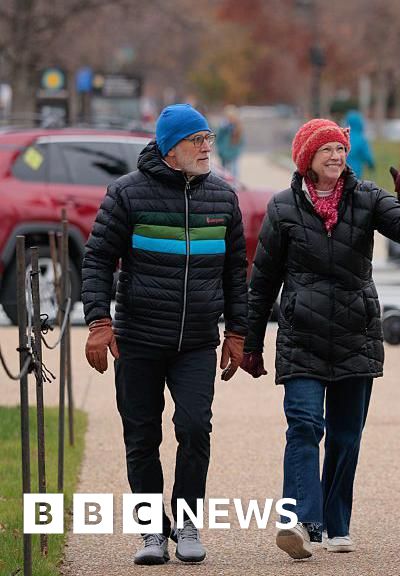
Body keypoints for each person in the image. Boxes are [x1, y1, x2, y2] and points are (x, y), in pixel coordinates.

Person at [240, 118, 400, 559]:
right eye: (326, 149)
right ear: (307, 157)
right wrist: (250, 342)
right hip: (301, 336)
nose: (336, 155)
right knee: (304, 426)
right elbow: (263, 280)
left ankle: (336, 522)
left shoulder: (366, 198)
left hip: (355, 334)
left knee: (346, 437)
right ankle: (299, 521)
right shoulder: (283, 207)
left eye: (340, 148)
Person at [81, 103, 248, 565]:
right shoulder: (127, 194)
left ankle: (188, 521)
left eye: (208, 139)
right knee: (141, 436)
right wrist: (98, 321)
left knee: (195, 428)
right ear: (170, 149)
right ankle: (152, 531)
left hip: (196, 340)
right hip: (138, 338)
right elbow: (96, 259)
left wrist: (238, 331)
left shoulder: (223, 197)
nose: (206, 148)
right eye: (197, 140)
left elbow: (236, 270)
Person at [215, 105, 245, 180]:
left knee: (234, 170)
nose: (230, 119)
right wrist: (220, 149)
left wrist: (237, 150)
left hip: (234, 152)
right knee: (223, 172)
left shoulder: (238, 126)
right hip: (224, 152)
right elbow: (218, 139)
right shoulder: (223, 127)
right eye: (229, 117)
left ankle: (234, 185)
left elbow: (241, 141)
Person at [344, 110, 375, 178]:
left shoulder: (343, 136)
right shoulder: (361, 139)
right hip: (355, 172)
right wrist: (371, 165)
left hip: (341, 170)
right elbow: (367, 155)